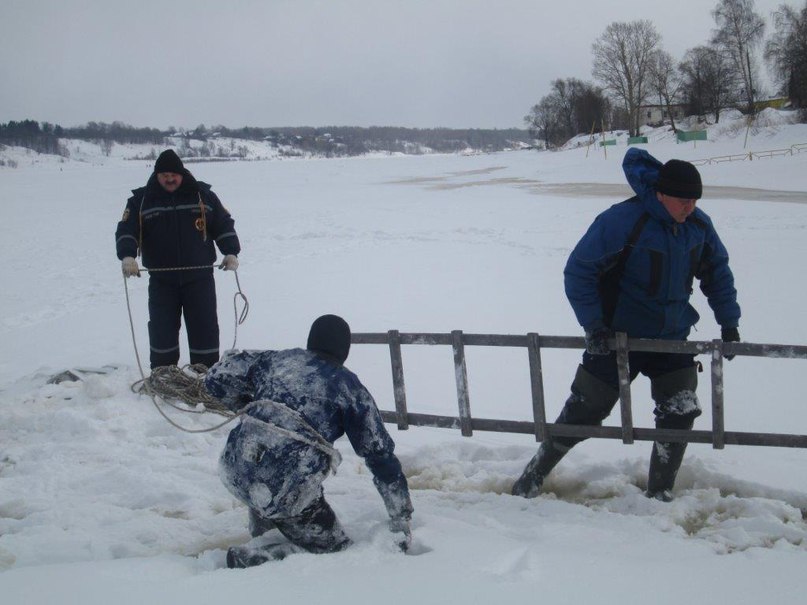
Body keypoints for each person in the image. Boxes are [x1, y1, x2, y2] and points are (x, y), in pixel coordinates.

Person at [512, 148, 741, 502]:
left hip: (671, 339)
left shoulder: (698, 227)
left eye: (695, 201)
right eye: (683, 201)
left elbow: (718, 275)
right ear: (661, 194)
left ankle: (660, 491)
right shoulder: (622, 221)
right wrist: (594, 327)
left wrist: (729, 323)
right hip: (617, 339)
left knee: (680, 411)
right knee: (585, 409)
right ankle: (533, 474)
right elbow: (579, 272)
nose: (689, 208)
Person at [204, 314, 414, 568]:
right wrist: (400, 513)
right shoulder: (348, 388)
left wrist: (247, 406)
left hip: (235, 467)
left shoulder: (277, 360)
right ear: (344, 349)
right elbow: (379, 455)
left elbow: (216, 377)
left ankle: (267, 528)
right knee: (336, 551)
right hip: (285, 487)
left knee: (270, 479)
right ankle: (257, 559)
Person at [115, 149, 240, 369]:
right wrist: (127, 255)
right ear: (156, 175)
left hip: (199, 278)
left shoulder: (203, 195)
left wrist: (230, 251)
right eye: (164, 175)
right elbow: (127, 229)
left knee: (205, 327)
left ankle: (205, 374)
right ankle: (165, 375)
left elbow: (223, 223)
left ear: (182, 173)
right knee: (162, 329)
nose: (170, 179)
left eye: (174, 174)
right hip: (162, 280)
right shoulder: (141, 201)